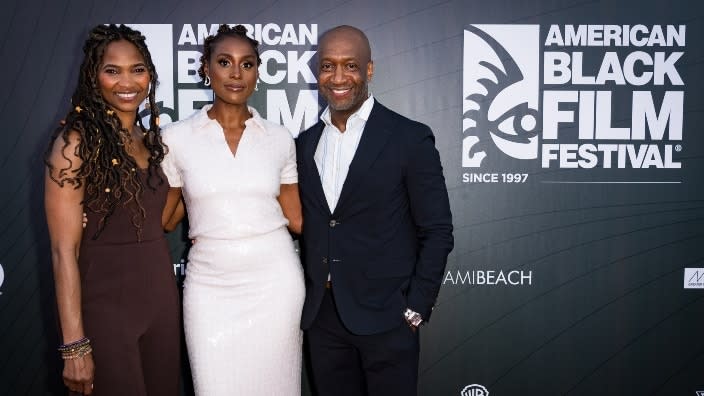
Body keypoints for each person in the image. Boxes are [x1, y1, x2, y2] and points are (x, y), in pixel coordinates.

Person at [296, 25, 454, 396]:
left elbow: (438, 231)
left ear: (369, 70)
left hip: (388, 319)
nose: (338, 77)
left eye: (350, 65)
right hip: (324, 319)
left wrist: (415, 308)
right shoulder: (304, 144)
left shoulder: (409, 138)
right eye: (328, 66)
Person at [160, 24, 305, 395]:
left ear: (258, 71)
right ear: (206, 69)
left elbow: (299, 218)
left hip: (275, 283)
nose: (236, 73)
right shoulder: (175, 138)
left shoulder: (279, 138)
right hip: (210, 288)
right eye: (225, 62)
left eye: (247, 63)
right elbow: (163, 218)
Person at [44, 24, 180, 395]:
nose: (127, 82)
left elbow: (165, 218)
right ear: (93, 75)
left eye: (137, 69)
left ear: (149, 75)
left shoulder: (150, 141)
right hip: (105, 311)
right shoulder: (75, 143)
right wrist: (74, 346)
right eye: (112, 70)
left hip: (162, 307)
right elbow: (62, 252)